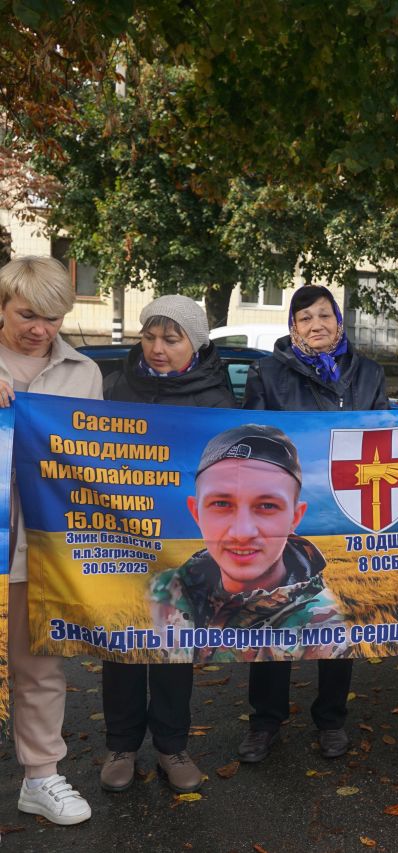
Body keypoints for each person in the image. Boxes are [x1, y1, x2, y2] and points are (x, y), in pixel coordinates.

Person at [238, 285, 390, 765]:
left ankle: (331, 719)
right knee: (273, 611)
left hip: (346, 508)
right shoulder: (268, 372)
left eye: (325, 315)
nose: (316, 324)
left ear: (339, 321)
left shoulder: (369, 373)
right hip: (285, 507)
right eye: (305, 318)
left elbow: (385, 434)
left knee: (336, 612)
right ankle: (265, 721)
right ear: (292, 327)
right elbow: (253, 439)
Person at [99, 295, 235, 797]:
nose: (157, 348)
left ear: (194, 344)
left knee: (174, 645)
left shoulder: (216, 401)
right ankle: (120, 747)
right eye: (149, 336)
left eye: (171, 339)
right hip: (120, 538)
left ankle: (172, 746)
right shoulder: (114, 387)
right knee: (122, 642)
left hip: (182, 543)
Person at [0, 256, 100, 825]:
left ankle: (41, 776)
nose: (40, 329)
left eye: (54, 318)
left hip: (39, 544)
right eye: (27, 316)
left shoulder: (85, 372)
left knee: (38, 664)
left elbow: (97, 461)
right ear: (2, 306)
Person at [150, 424, 348, 658]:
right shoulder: (163, 589)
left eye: (267, 506)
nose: (242, 533)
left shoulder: (322, 629)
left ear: (295, 517)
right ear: (196, 513)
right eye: (221, 504)